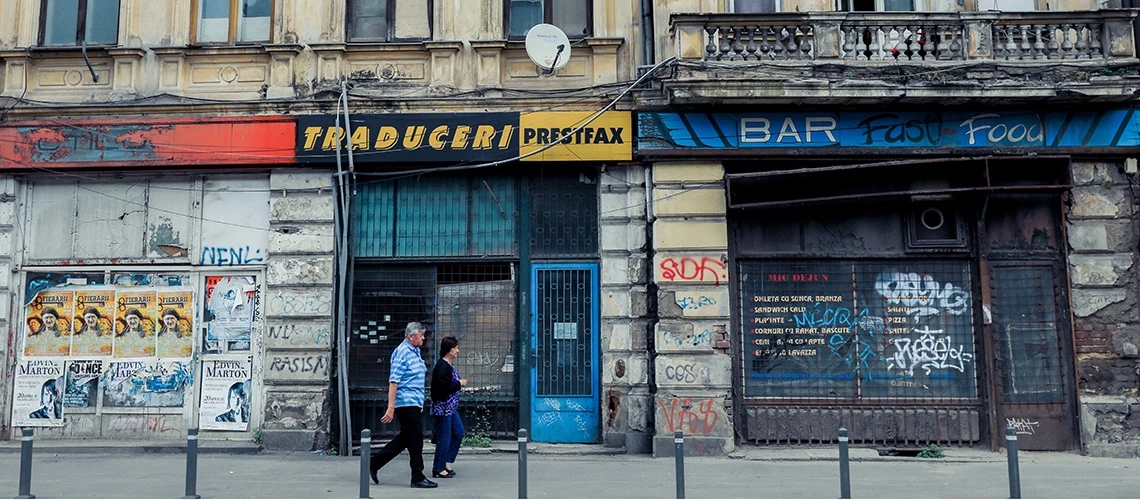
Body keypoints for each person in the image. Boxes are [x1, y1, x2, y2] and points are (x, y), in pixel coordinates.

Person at [369, 322, 437, 489]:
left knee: (407, 438)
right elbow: (394, 381)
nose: (423, 338)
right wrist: (391, 408)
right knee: (416, 440)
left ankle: (375, 462)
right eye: (421, 335)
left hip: (414, 401)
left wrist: (419, 401)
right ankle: (417, 477)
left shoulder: (415, 351)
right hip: (405, 402)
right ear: (411, 336)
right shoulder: (402, 352)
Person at [430, 336, 467, 479]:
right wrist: (459, 384)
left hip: (450, 408)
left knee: (458, 432)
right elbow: (443, 388)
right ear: (448, 349)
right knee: (444, 437)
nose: (458, 350)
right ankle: (438, 468)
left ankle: (445, 460)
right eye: (455, 348)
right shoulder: (442, 366)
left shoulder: (448, 365)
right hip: (443, 408)